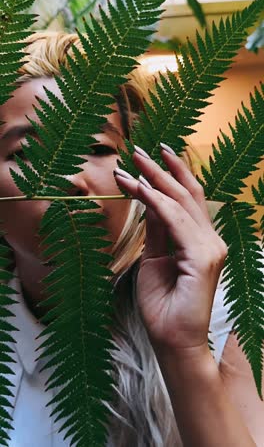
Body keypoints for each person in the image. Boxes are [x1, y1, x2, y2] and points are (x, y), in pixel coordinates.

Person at [0, 31, 263, 447]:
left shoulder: (225, 302)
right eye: (27, 154)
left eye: (96, 146)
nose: (70, 180)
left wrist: (185, 350)